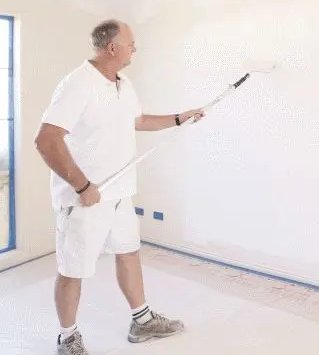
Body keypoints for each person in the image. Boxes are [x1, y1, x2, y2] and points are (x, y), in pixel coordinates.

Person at [34, 19, 205, 355]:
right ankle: (68, 338)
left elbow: (137, 121)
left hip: (120, 194)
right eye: (131, 44)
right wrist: (82, 186)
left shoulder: (123, 83)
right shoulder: (77, 84)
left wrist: (178, 118)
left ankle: (142, 321)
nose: (135, 49)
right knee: (73, 270)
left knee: (128, 253)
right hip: (85, 199)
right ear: (112, 47)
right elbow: (46, 140)